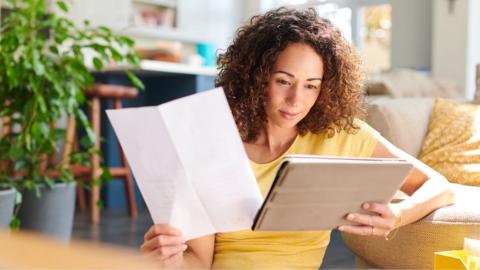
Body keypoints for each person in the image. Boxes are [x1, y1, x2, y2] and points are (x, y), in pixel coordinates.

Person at [140, 7, 455, 269]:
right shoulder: (212, 142)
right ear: (256, 77)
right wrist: (169, 259)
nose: (295, 100)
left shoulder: (342, 135)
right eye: (283, 81)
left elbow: (439, 187)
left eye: (311, 85)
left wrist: (399, 215)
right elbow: (199, 261)